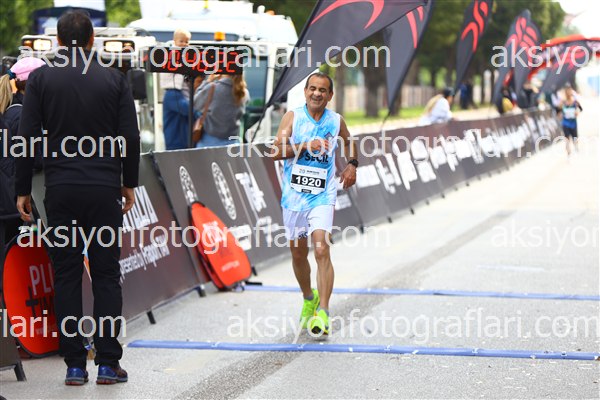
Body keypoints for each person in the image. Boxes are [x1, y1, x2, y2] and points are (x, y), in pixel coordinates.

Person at [15, 11, 140, 386]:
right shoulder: (114, 79)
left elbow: (26, 136)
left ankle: (73, 363)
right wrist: (129, 183)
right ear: (92, 40)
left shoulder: (41, 79)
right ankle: (107, 362)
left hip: (62, 189)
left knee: (66, 274)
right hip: (103, 189)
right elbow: (130, 137)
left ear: (57, 41)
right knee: (106, 274)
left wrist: (22, 188)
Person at [271, 72, 357, 336]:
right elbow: (276, 151)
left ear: (330, 95)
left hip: (322, 195)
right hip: (294, 197)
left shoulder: (336, 121)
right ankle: (309, 297)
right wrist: (306, 145)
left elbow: (349, 140)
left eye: (322, 90)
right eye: (312, 89)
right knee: (298, 254)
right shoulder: (292, 118)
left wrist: (352, 164)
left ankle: (324, 313)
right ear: (305, 92)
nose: (317, 94)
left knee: (321, 249)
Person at [0, 58, 46, 273]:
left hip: (9, 199)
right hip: (14, 200)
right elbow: (32, 158)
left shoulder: (11, 111)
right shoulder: (21, 115)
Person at [193, 73, 249, 148]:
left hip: (209, 141)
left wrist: (207, 82)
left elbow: (195, 103)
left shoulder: (212, 88)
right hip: (234, 142)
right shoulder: (243, 92)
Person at [161, 29, 193, 150]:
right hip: (176, 144)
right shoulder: (172, 95)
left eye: (187, 42)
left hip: (181, 142)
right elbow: (189, 110)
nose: (184, 44)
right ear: (174, 41)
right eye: (181, 41)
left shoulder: (187, 55)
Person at [560, 90, 581, 156]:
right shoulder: (563, 102)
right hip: (565, 123)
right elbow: (558, 111)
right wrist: (560, 114)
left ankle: (576, 147)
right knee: (567, 137)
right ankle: (568, 151)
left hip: (573, 123)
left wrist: (577, 112)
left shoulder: (575, 102)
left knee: (575, 137)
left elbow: (580, 109)